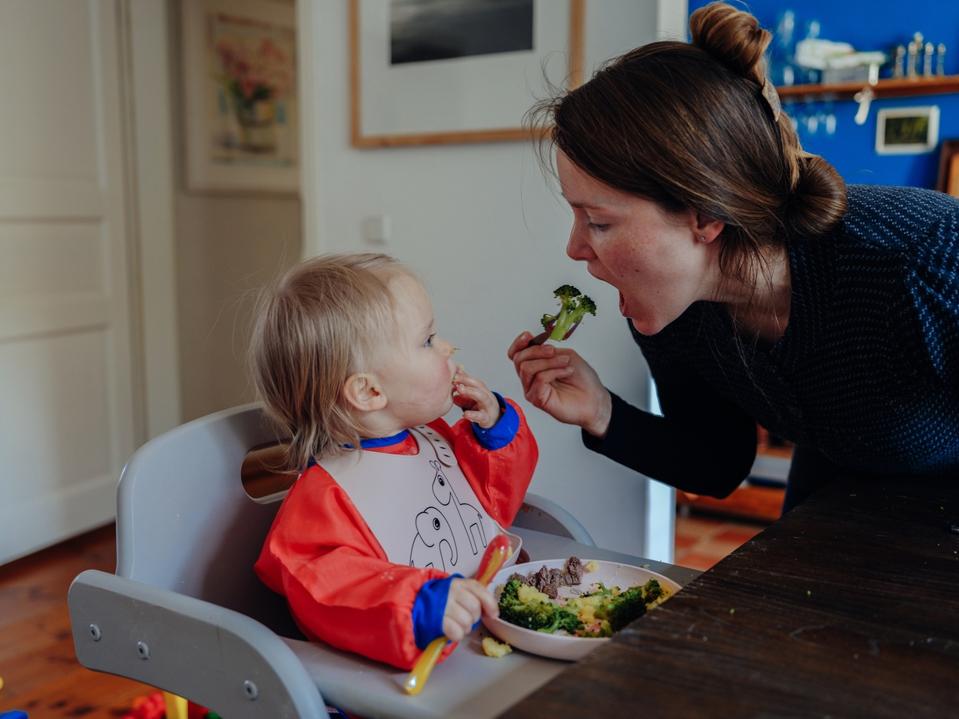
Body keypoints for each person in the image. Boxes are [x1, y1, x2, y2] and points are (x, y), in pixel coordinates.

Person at [509, 1, 959, 513]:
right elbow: (717, 463)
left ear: (704, 214)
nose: (575, 248)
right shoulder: (680, 309)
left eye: (601, 221)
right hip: (840, 499)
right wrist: (602, 411)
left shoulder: (923, 260)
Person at [252, 253, 537, 669]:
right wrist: (421, 605)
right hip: (416, 673)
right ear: (368, 393)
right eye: (427, 341)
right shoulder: (326, 498)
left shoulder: (432, 438)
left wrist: (493, 433)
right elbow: (328, 589)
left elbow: (489, 507)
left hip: (493, 637)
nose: (447, 348)